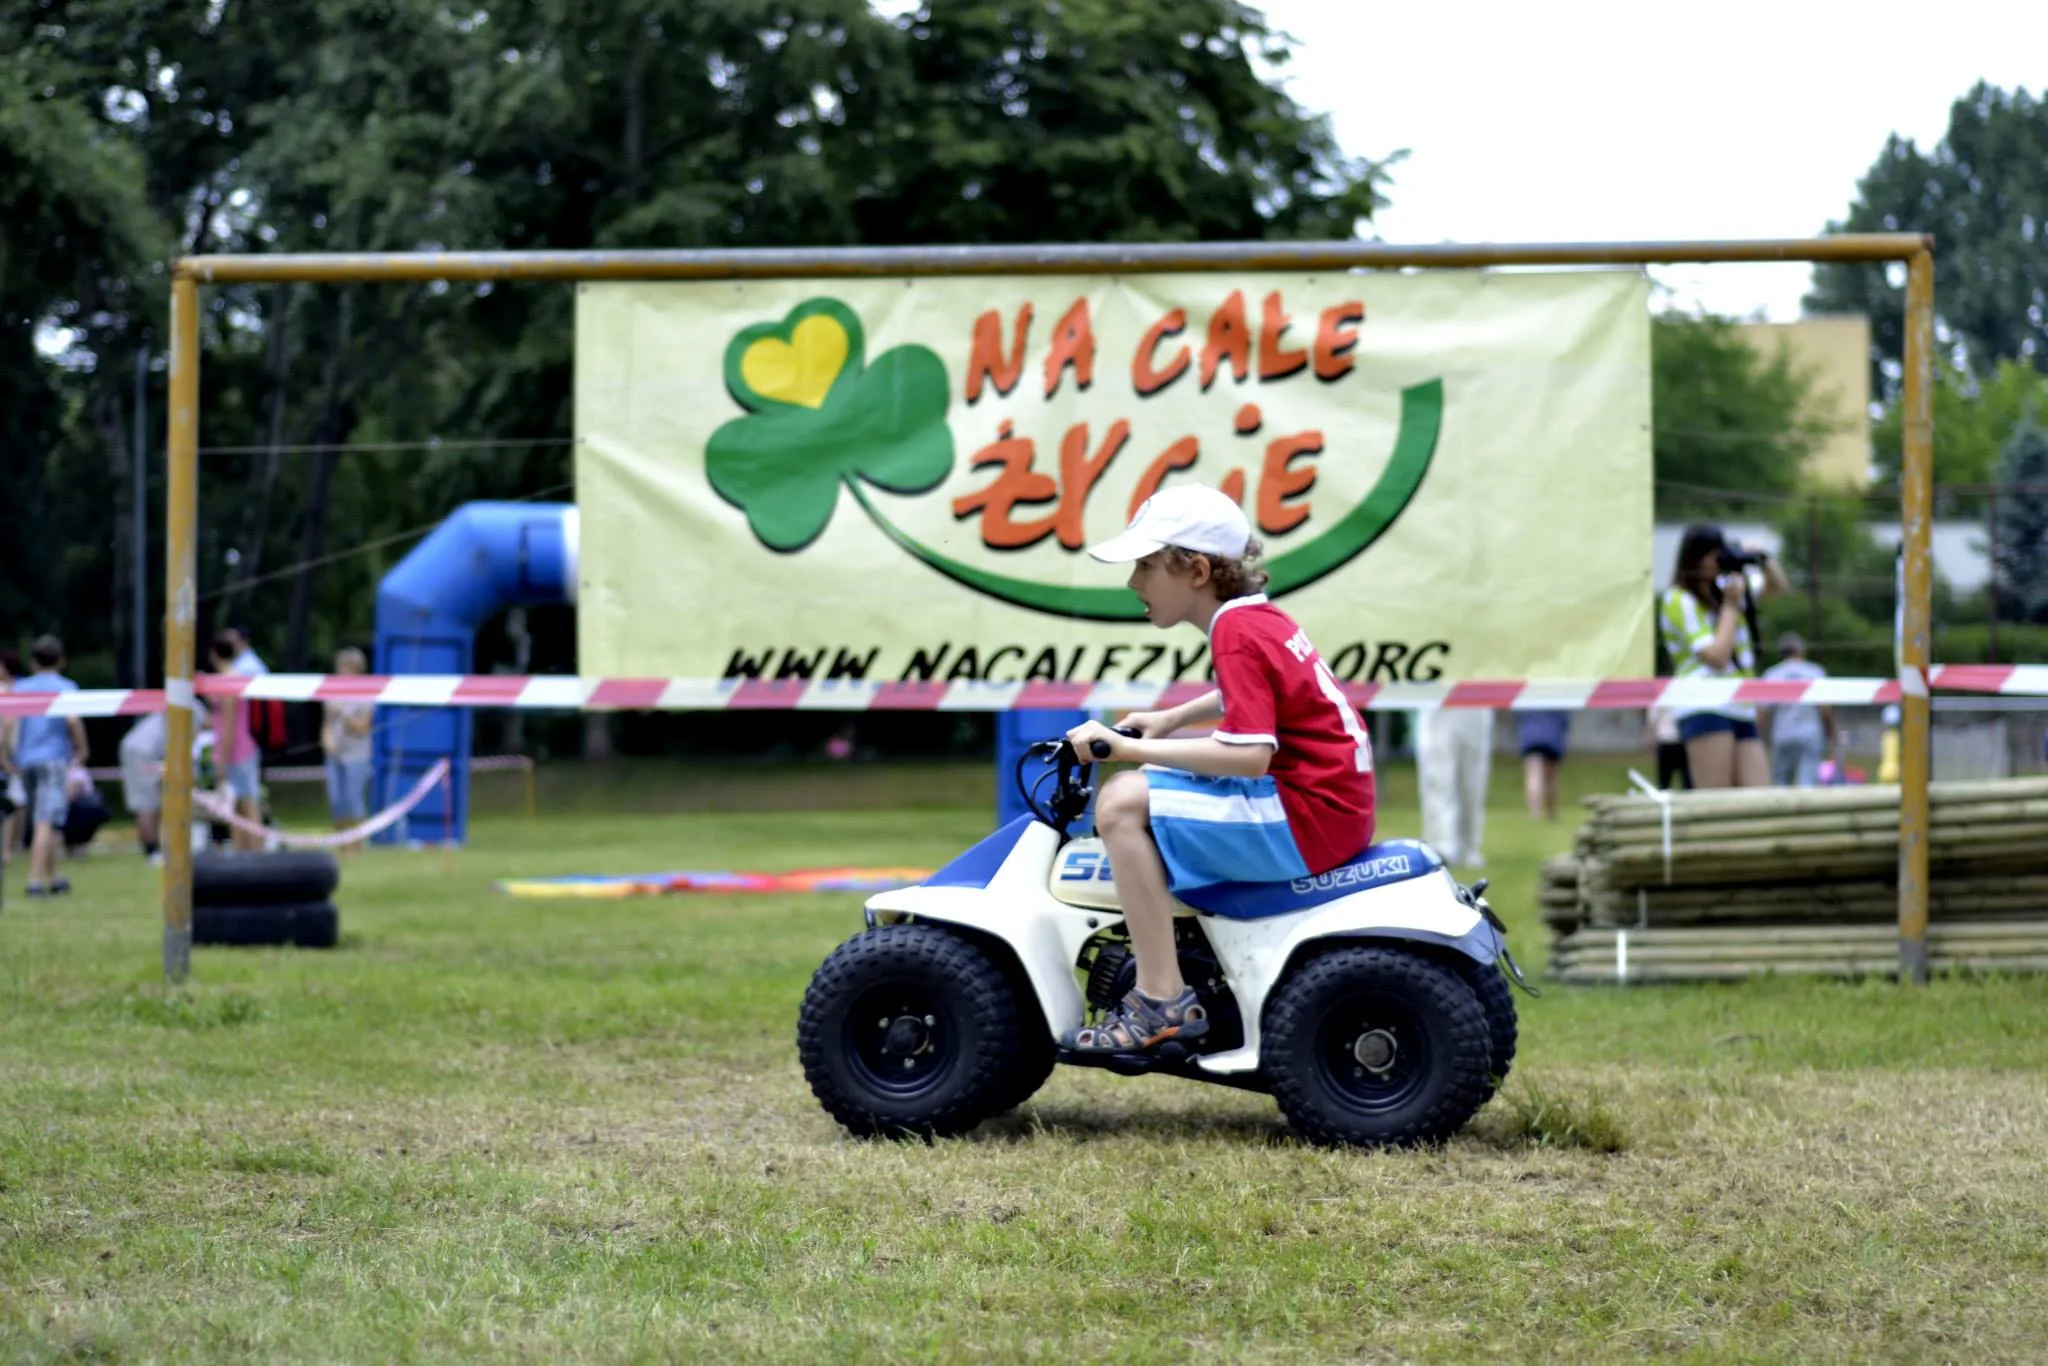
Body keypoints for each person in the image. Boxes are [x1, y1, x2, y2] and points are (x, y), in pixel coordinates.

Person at [1057, 485, 1375, 1054]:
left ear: (1197, 570)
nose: (1134, 582)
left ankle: (1160, 1000)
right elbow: (1264, 691)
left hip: (1307, 816)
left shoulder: (1234, 632)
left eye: (1146, 566)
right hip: (1329, 808)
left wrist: (1126, 749)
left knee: (1122, 802)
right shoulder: (1256, 618)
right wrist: (1172, 718)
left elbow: (1249, 757)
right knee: (1138, 788)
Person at [1657, 524, 1789, 789]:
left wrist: (1763, 558)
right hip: (1704, 703)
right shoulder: (1679, 599)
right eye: (1711, 554)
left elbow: (1778, 589)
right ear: (1694, 558)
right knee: (1716, 795)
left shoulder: (1726, 588)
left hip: (1740, 704)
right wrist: (1730, 607)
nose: (1717, 560)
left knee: (1759, 796)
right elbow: (1716, 656)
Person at [11, 636, 88, 896]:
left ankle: (55, 877)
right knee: (45, 821)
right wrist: (82, 748)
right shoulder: (66, 687)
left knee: (42, 818)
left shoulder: (21, 687)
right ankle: (34, 881)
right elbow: (73, 720)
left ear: (33, 662)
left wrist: (5, 754)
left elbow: (9, 722)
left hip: (26, 760)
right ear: (61, 661)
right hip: (53, 759)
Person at [208, 630, 265, 850]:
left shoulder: (229, 681)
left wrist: (221, 760)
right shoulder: (230, 678)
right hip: (236, 746)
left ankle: (255, 849)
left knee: (247, 802)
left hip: (238, 749)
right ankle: (242, 851)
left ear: (214, 654)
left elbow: (229, 725)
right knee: (237, 805)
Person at [1415, 708, 1492, 866]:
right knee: (1437, 778)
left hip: (1476, 706)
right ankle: (1440, 846)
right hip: (1438, 706)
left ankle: (1468, 847)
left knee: (1473, 783)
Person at [1760, 632, 1837, 788]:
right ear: (1801, 650)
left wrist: (1760, 742)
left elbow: (1762, 713)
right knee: (1808, 783)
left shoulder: (1771, 675)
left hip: (1782, 735)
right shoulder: (1815, 672)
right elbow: (1825, 709)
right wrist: (1832, 734)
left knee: (1780, 783)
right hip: (1810, 735)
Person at [322, 647, 375, 851]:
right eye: (339, 667)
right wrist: (327, 742)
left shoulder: (366, 694)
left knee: (354, 799)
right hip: (334, 755)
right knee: (336, 800)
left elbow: (362, 727)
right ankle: (341, 845)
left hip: (356, 755)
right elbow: (326, 723)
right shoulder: (332, 691)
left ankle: (357, 846)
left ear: (356, 669)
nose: (340, 672)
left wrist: (343, 712)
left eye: (345, 668)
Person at [119, 711, 169, 862]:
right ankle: (152, 851)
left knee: (148, 802)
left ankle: (154, 849)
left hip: (141, 750)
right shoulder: (195, 710)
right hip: (143, 752)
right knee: (146, 803)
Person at [1516, 709, 1570, 821]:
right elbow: (1565, 721)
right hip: (1553, 738)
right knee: (1552, 778)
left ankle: (1535, 814)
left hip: (1531, 738)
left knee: (1533, 774)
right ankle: (1551, 814)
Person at [0, 649, 25, 857]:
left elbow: (9, 725)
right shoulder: (21, 689)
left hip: (12, 752)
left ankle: (10, 848)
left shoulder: (17, 690)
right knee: (14, 803)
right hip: (13, 752)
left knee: (12, 803)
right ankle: (11, 847)